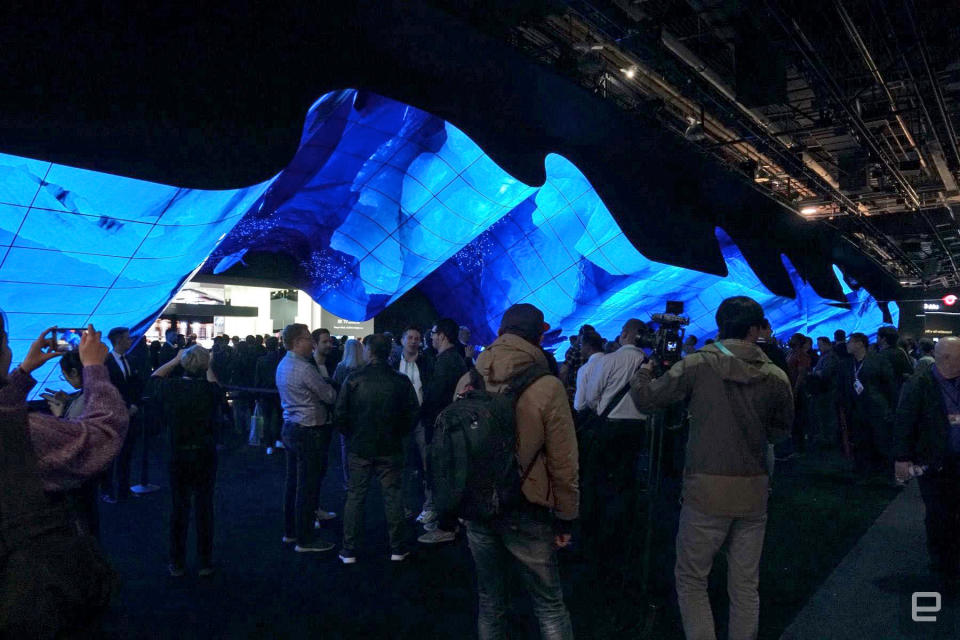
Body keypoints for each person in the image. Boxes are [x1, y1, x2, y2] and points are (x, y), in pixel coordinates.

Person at [630, 296, 793, 640]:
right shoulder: (777, 376)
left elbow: (648, 400)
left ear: (720, 325)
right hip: (753, 492)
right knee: (746, 586)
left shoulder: (696, 364)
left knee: (691, 579)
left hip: (705, 491)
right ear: (754, 329)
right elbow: (780, 433)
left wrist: (643, 372)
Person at [453, 303, 579, 640]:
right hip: (528, 508)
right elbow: (563, 461)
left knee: (490, 600)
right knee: (549, 605)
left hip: (477, 505)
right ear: (539, 337)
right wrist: (566, 516)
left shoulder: (469, 379)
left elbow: (456, 449)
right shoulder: (548, 386)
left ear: (500, 334)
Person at [0, 322, 124, 638]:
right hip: (32, 591)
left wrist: (24, 373)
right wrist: (95, 369)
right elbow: (103, 435)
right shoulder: (28, 433)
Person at [334, 334, 419, 563]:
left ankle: (349, 549)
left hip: (359, 447)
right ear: (389, 351)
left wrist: (352, 436)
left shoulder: (353, 379)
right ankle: (397, 548)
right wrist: (399, 434)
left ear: (369, 351)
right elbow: (412, 414)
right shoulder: (400, 381)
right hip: (391, 447)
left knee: (355, 496)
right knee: (393, 497)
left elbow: (340, 414)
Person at [151, 345, 222, 577]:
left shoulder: (171, 387)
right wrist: (209, 365)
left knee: (178, 509)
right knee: (205, 508)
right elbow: (215, 387)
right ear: (204, 366)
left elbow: (154, 378)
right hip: (204, 454)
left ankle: (177, 562)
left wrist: (174, 360)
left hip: (178, 455)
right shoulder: (209, 391)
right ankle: (204, 561)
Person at [894, 336, 960, 581]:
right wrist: (902, 458)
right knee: (938, 513)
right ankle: (941, 564)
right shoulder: (919, 384)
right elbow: (904, 423)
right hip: (932, 462)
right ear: (946, 359)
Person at [276, 324, 337, 553]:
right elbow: (329, 396)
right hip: (309, 431)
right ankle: (306, 539)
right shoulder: (304, 369)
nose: (311, 343)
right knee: (307, 487)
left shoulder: (283, 365)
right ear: (295, 342)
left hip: (291, 427)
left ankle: (291, 532)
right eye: (306, 339)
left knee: (293, 484)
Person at [417, 317, 468, 544]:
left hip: (442, 429)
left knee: (442, 475)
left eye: (434, 332)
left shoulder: (445, 362)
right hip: (450, 427)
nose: (431, 337)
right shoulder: (455, 359)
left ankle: (447, 526)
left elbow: (435, 397)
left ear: (443, 335)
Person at [390, 326, 434, 519]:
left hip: (421, 419)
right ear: (402, 340)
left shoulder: (426, 363)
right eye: (410, 338)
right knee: (401, 465)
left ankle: (429, 506)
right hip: (400, 421)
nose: (414, 341)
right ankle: (404, 506)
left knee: (427, 463)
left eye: (417, 338)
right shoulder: (392, 363)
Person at [841, 332, 897, 483]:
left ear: (859, 343)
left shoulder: (878, 361)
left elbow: (890, 385)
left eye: (850, 342)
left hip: (876, 408)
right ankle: (864, 471)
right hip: (857, 409)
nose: (847, 344)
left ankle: (887, 472)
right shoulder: (848, 363)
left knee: (881, 441)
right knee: (861, 441)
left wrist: (890, 407)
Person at [103, 326, 145, 503]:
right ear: (118, 340)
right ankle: (108, 490)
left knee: (127, 453)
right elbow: (106, 389)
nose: (130, 340)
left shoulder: (130, 359)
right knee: (110, 455)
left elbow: (136, 385)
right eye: (127, 338)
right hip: (113, 414)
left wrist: (134, 404)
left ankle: (124, 488)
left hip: (130, 413)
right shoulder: (106, 362)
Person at [332, 338, 367, 488]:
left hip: (345, 412)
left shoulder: (340, 368)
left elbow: (335, 387)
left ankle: (348, 480)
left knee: (345, 447)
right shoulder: (365, 368)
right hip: (362, 412)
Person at [254, 336, 283, 455]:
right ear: (277, 345)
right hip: (279, 392)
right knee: (280, 417)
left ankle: (268, 444)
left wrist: (256, 394)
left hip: (264, 393)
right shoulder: (281, 359)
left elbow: (257, 378)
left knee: (266, 419)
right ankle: (278, 439)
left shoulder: (261, 360)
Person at [572, 332, 605, 414]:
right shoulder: (614, 362)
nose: (580, 349)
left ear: (588, 347)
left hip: (593, 418)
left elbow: (579, 405)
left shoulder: (585, 369)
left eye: (581, 345)